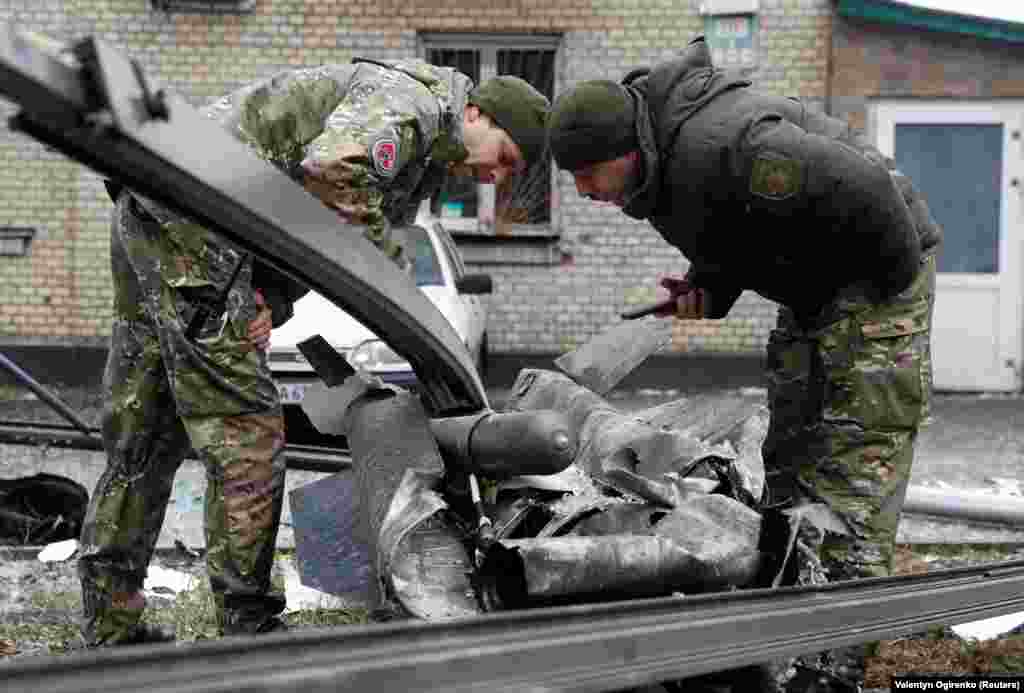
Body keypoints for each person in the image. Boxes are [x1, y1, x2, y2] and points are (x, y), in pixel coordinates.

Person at [78, 58, 550, 647]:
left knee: (146, 432)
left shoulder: (419, 145)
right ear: (477, 113)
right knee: (247, 432)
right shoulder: (417, 106)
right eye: (503, 156)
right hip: (197, 219)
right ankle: (248, 624)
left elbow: (313, 226)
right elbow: (332, 170)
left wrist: (271, 298)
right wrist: (392, 271)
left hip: (160, 203)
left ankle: (110, 623)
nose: (494, 177)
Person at [547, 36, 941, 688]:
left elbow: (868, 188)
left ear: (625, 150)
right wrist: (675, 306)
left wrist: (881, 302)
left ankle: (835, 666)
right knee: (792, 458)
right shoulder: (662, 171)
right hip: (814, 288)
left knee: (853, 467)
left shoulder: (729, 146)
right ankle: (785, 637)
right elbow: (731, 238)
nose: (586, 192)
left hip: (875, 277)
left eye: (589, 175)